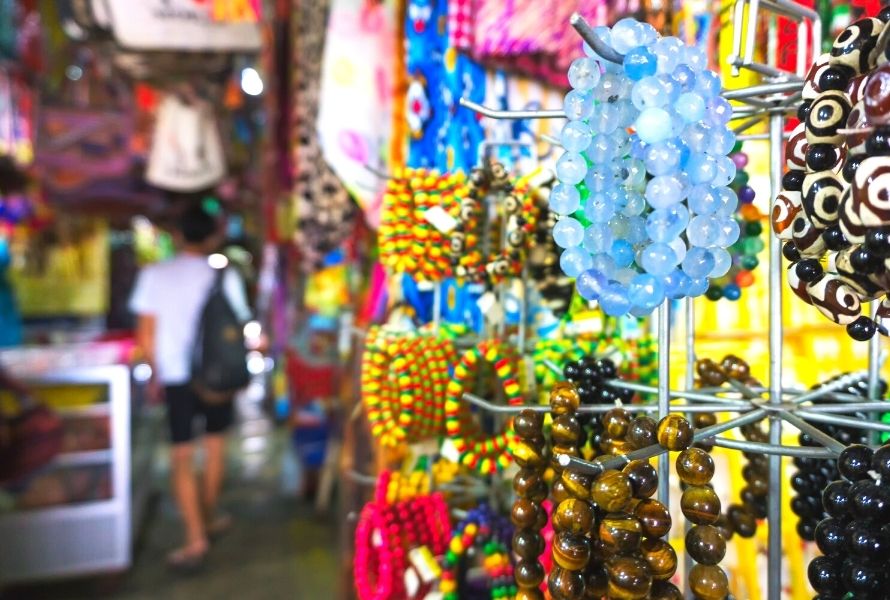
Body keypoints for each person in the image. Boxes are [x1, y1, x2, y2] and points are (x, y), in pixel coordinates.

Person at [129, 201, 251, 569]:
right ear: (213, 236)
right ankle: (210, 516)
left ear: (177, 235)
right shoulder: (223, 275)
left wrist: (152, 376)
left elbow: (146, 337)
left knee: (182, 453)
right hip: (215, 375)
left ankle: (195, 537)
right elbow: (240, 324)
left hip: (177, 377)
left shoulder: (154, 275)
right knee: (215, 447)